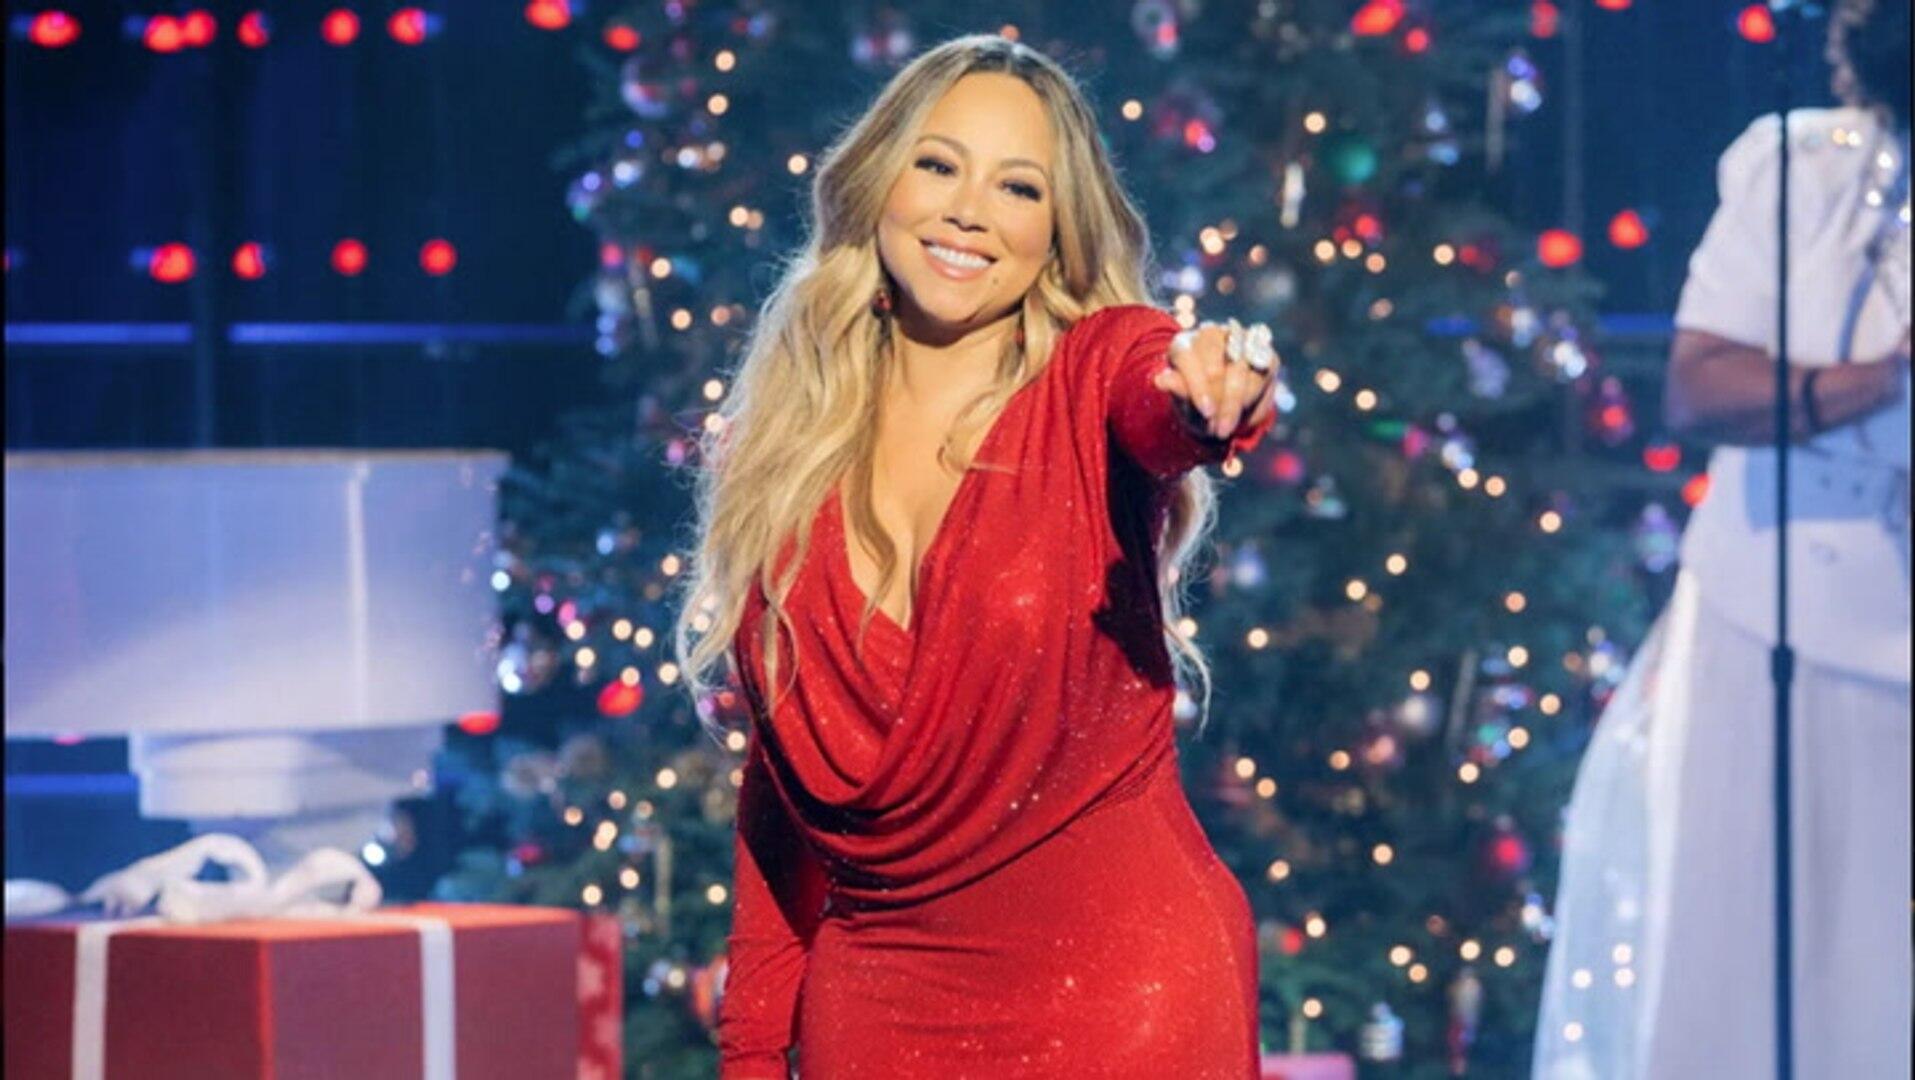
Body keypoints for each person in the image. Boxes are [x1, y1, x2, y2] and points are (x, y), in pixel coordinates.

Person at [671, 35, 1279, 1079]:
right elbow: (785, 796)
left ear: (1056, 233)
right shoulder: (785, 446)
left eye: (1017, 187)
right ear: (880, 182)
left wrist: (1217, 391)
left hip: (1125, 1001)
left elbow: (1162, 394)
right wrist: (753, 1047)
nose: (967, 211)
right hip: (878, 1007)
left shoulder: (1094, 377)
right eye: (938, 165)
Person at [1533, 3, 1911, 1078]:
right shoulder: (1801, 168)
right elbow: (1698, 387)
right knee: (1742, 968)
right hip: (1772, 621)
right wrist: (1880, 380)